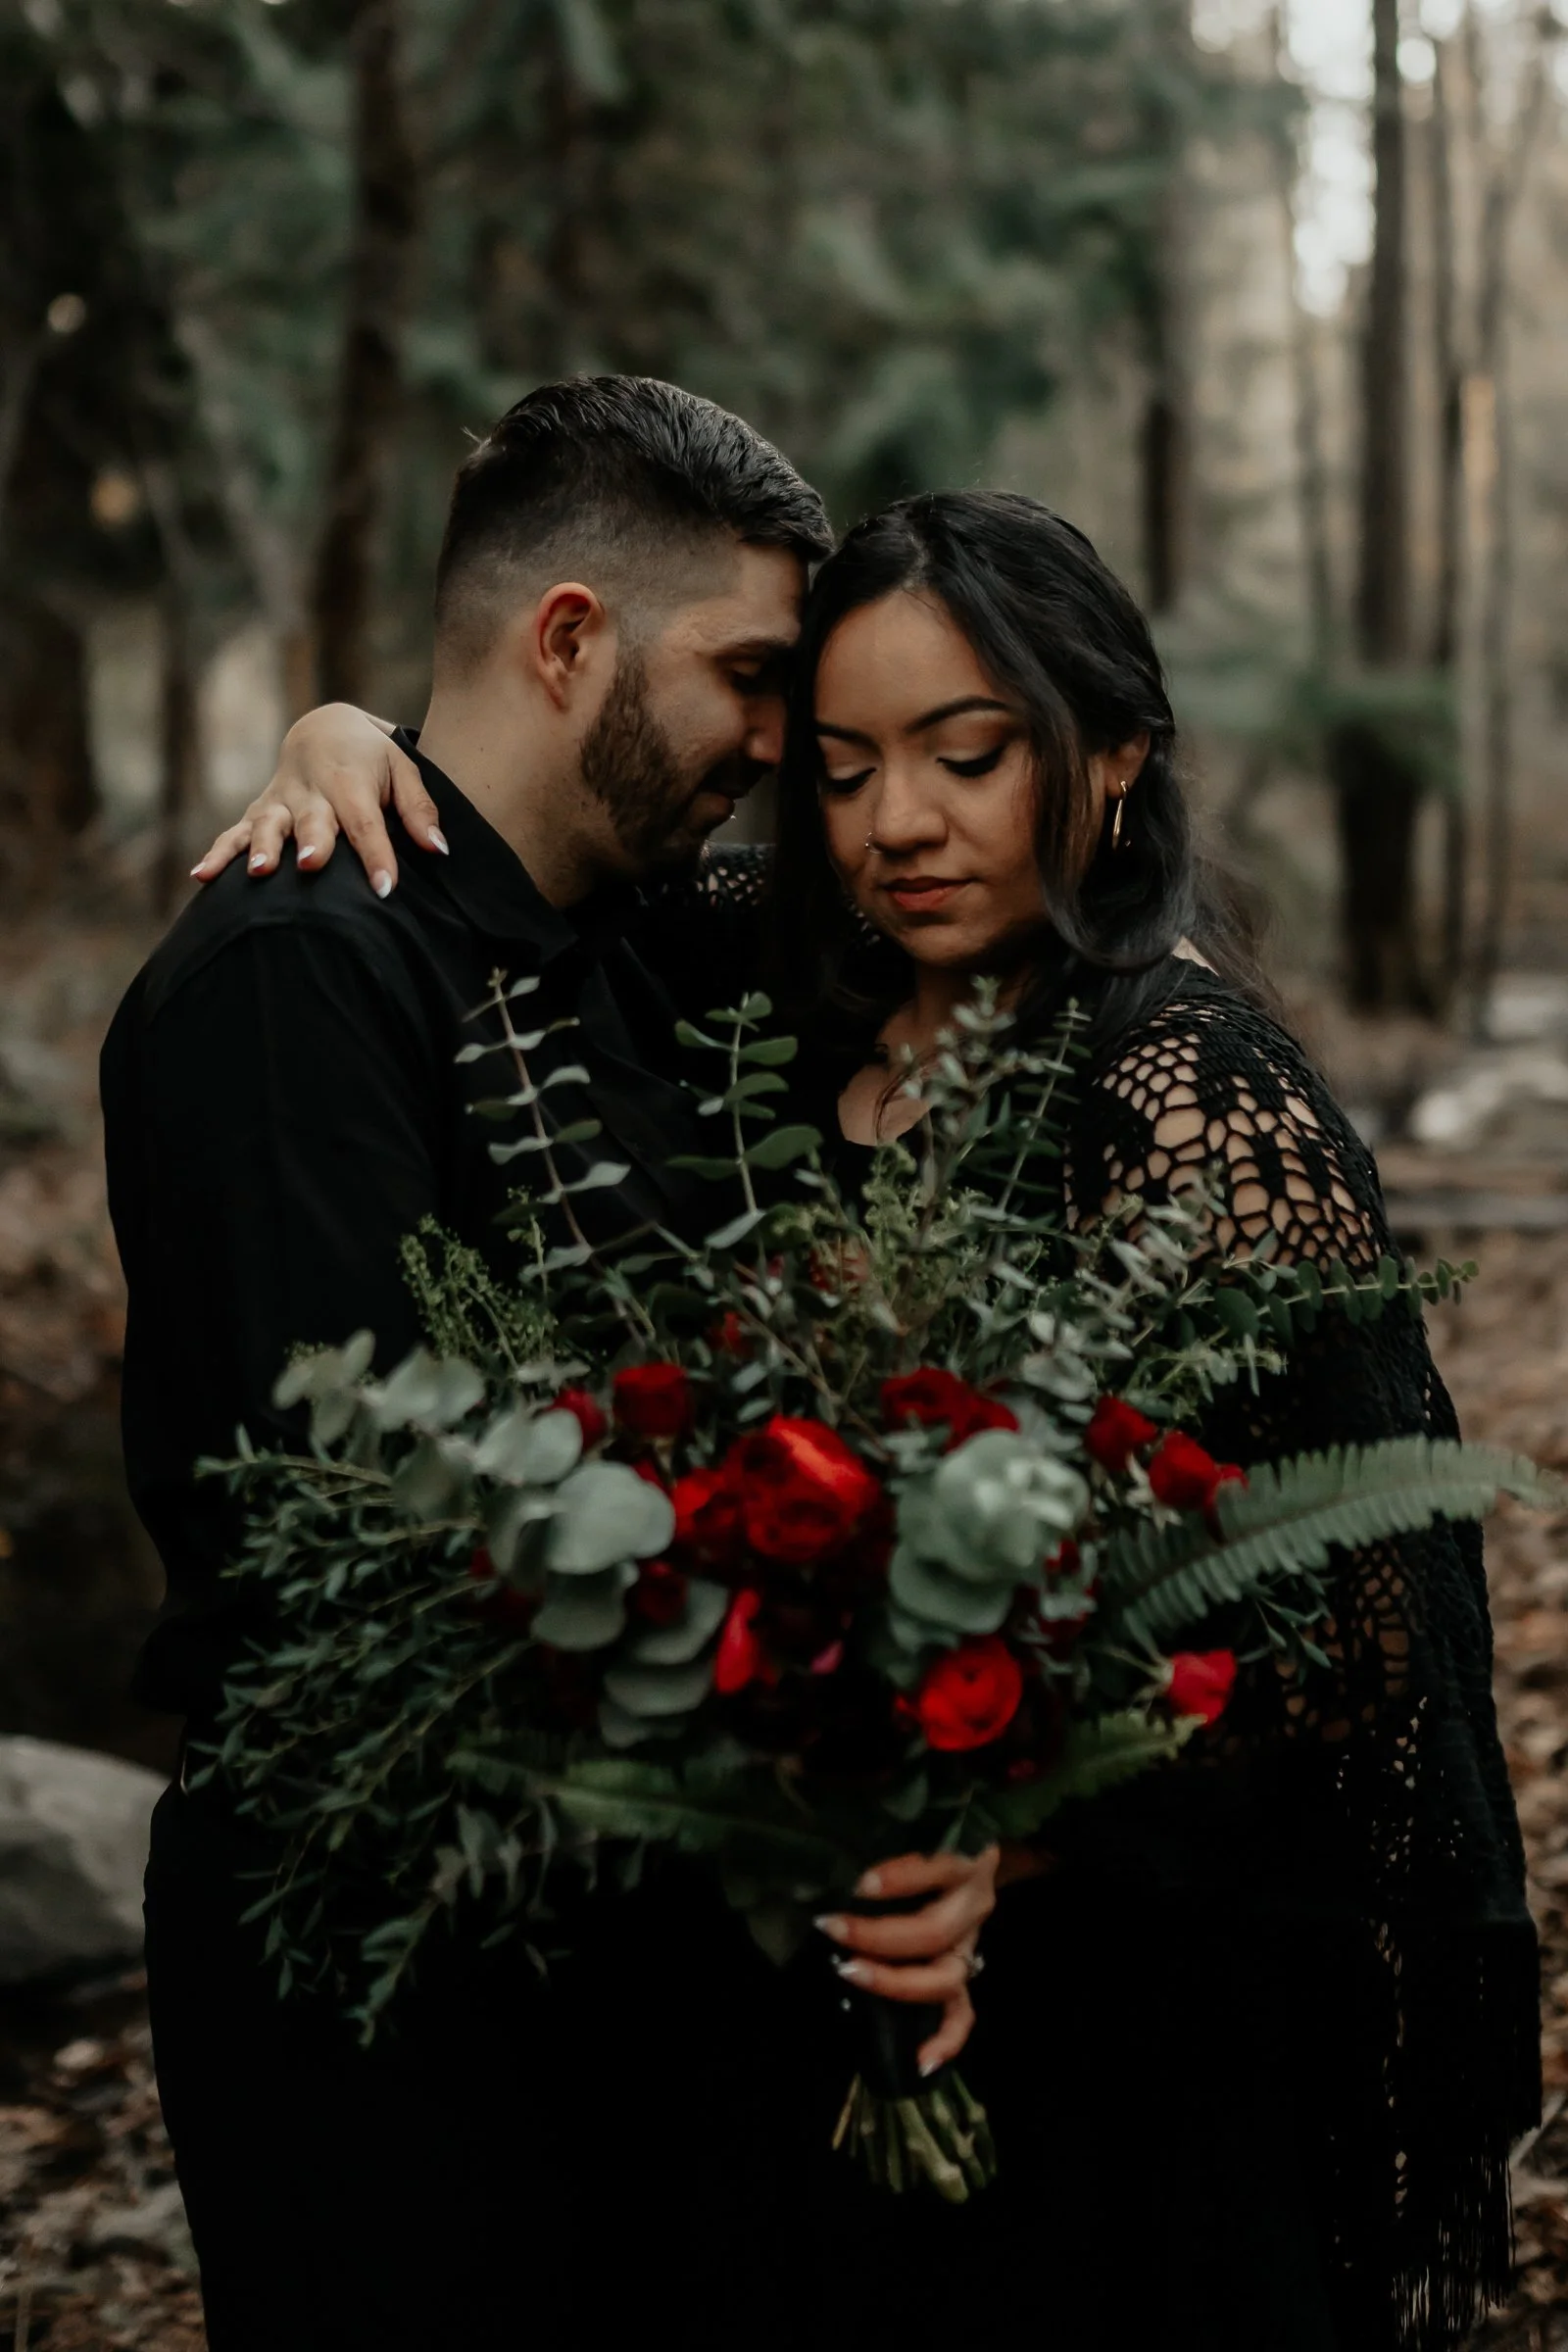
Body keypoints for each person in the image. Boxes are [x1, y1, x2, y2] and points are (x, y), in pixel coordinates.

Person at [213, 485, 1540, 2351]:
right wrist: (341, 736)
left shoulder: (1184, 1086)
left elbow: (1359, 1640)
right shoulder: (782, 988)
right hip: (775, 2025)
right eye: (838, 769)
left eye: (967, 754)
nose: (895, 822)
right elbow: (535, 820)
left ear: (1112, 758)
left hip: (1102, 2052)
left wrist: (1030, 1829)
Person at [103, 378, 1000, 2352]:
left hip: (653, 1954)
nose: (780, 747)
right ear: (571, 635)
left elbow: (972, 893)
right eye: (749, 678)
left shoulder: (646, 930)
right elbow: (329, 1545)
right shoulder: (297, 976)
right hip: (395, 1976)